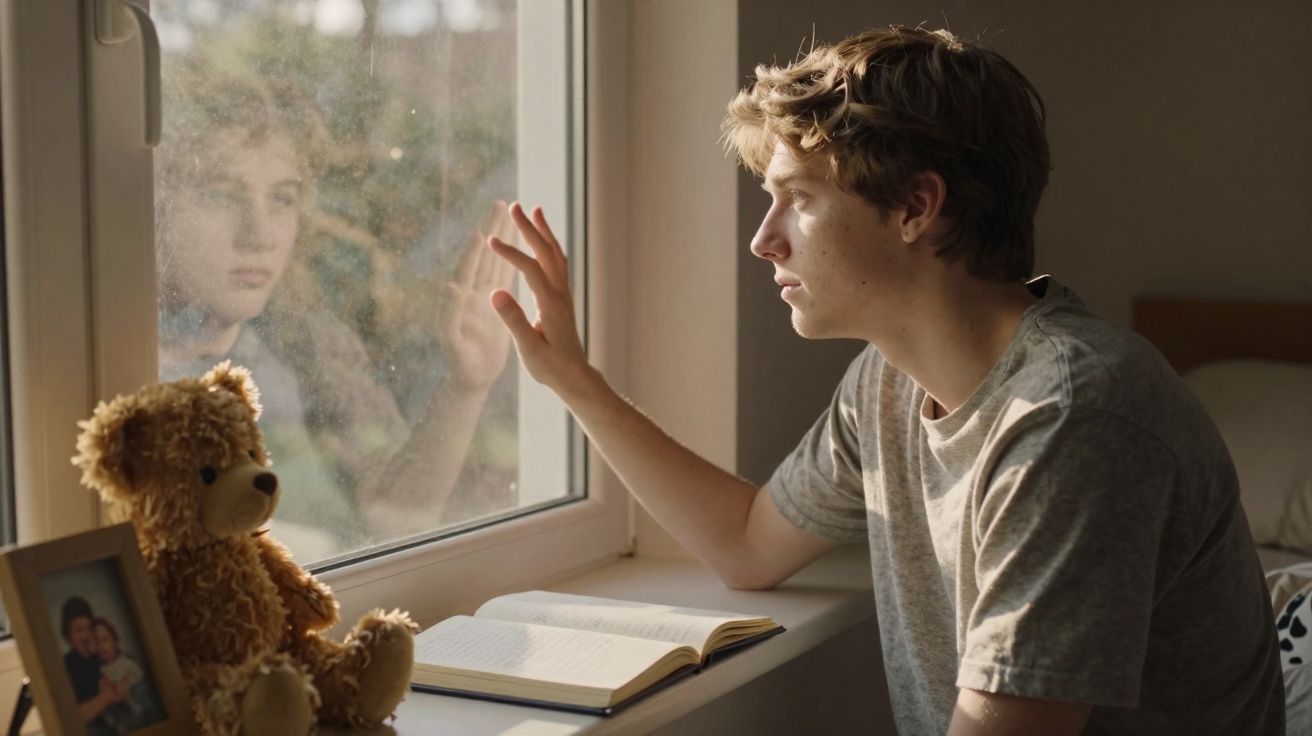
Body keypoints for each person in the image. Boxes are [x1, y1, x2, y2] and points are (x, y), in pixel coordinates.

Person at [486, 26, 1283, 735]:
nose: (764, 241)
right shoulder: (886, 382)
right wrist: (572, 379)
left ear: (917, 207)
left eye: (796, 199)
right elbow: (747, 545)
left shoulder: (1072, 417)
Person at [156, 55, 516, 559]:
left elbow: (391, 515)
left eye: (282, 199)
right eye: (221, 195)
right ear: (157, 205)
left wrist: (466, 385)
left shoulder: (308, 344)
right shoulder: (114, 362)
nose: (259, 235)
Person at [60, 598, 126, 731]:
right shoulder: (64, 668)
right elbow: (72, 717)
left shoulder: (103, 657)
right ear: (68, 636)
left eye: (88, 629)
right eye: (79, 631)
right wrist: (107, 696)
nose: (85, 636)